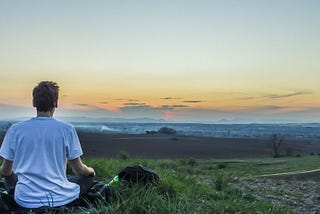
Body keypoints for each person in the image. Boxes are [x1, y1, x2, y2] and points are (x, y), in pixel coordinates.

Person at [0, 81, 95, 209]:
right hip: (60, 198)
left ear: (34, 103)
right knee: (87, 178)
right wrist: (90, 171)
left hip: (24, 200)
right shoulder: (67, 129)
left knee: (9, 177)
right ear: (56, 103)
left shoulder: (15, 130)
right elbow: (78, 170)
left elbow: (5, 171)